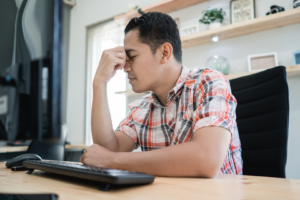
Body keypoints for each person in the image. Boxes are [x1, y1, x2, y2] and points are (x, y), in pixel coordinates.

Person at [80, 12, 242, 177]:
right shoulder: (141, 108)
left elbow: (207, 158)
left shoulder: (209, 82)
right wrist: (99, 83)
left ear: (165, 53)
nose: (125, 68)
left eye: (133, 56)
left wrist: (112, 160)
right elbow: (105, 152)